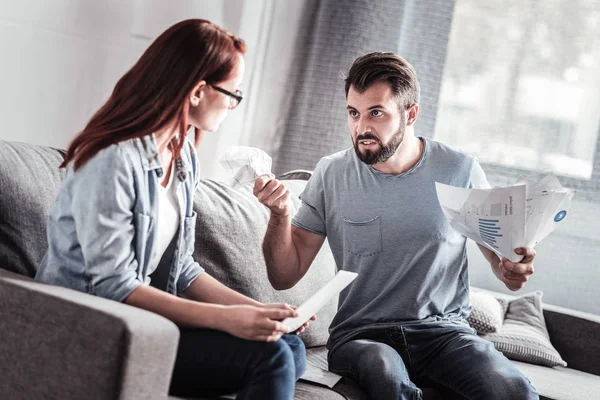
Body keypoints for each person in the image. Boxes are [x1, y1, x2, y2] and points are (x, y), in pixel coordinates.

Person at [35, 19, 307, 400]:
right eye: (232, 93)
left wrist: (264, 313)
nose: (233, 104)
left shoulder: (183, 157)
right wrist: (230, 319)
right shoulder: (112, 161)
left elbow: (181, 269)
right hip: (87, 325)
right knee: (272, 358)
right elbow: (113, 285)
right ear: (198, 91)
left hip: (138, 321)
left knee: (289, 346)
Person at [254, 52, 539, 399]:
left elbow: (500, 261)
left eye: (376, 113)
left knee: (514, 391)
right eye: (353, 113)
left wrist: (512, 268)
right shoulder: (331, 174)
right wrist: (280, 215)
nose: (361, 129)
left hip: (444, 334)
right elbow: (284, 275)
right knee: (386, 373)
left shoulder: (459, 170)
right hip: (361, 337)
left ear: (410, 113)